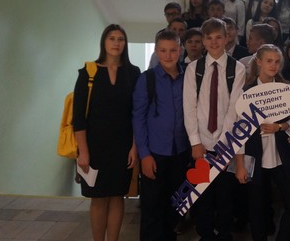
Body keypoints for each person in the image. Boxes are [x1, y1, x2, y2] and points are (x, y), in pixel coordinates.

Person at [73, 24, 141, 241]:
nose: (116, 43)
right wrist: (83, 151)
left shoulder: (133, 73)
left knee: (117, 196)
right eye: (112, 38)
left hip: (123, 146)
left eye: (120, 39)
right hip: (94, 147)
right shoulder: (88, 72)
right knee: (98, 198)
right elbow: (78, 117)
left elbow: (137, 113)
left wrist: (134, 147)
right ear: (104, 42)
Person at [183, 18, 246, 241]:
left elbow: (234, 109)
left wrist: (224, 145)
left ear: (227, 38)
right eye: (209, 38)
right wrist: (195, 142)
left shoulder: (237, 68)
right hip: (201, 144)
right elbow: (189, 107)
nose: (214, 42)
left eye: (219, 37)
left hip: (225, 144)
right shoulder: (194, 69)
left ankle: (225, 234)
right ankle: (206, 234)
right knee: (203, 196)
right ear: (203, 41)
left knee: (225, 195)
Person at [235, 44, 290, 241]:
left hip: (281, 155)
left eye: (276, 61)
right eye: (268, 61)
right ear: (258, 62)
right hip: (254, 155)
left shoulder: (286, 89)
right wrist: (239, 164)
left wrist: (280, 126)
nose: (273, 65)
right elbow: (238, 131)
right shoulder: (245, 92)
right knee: (256, 209)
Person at [132, 30, 191, 241]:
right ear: (156, 51)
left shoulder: (188, 78)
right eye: (163, 50)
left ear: (180, 50)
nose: (168, 55)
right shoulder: (146, 79)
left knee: (176, 205)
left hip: (181, 152)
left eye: (173, 50)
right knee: (152, 207)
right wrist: (144, 155)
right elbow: (138, 118)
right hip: (155, 153)